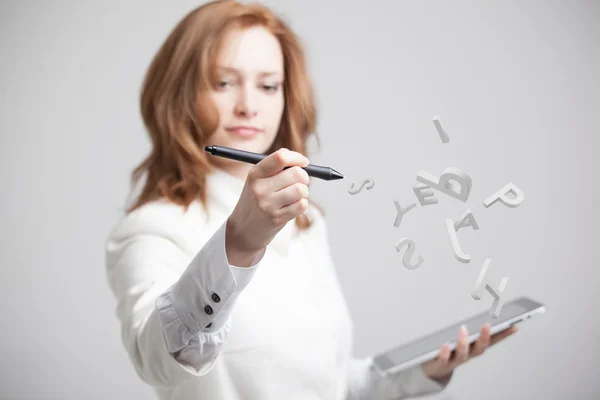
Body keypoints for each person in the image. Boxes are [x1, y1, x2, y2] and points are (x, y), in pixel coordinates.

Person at [104, 1, 518, 399]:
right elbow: (158, 358)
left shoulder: (305, 223)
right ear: (181, 94)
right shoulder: (151, 229)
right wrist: (239, 244)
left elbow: (330, 384)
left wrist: (424, 369)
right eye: (224, 82)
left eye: (268, 86)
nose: (248, 106)